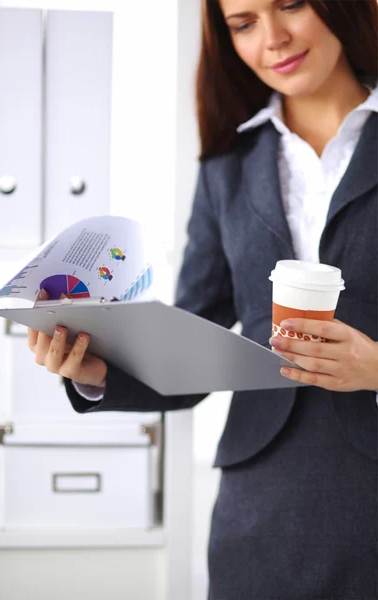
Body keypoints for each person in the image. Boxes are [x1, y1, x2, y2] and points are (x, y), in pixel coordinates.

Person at [28, 0, 378, 598]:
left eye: (290, 4)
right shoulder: (227, 166)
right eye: (243, 24)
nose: (273, 38)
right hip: (259, 511)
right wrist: (97, 371)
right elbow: (195, 335)